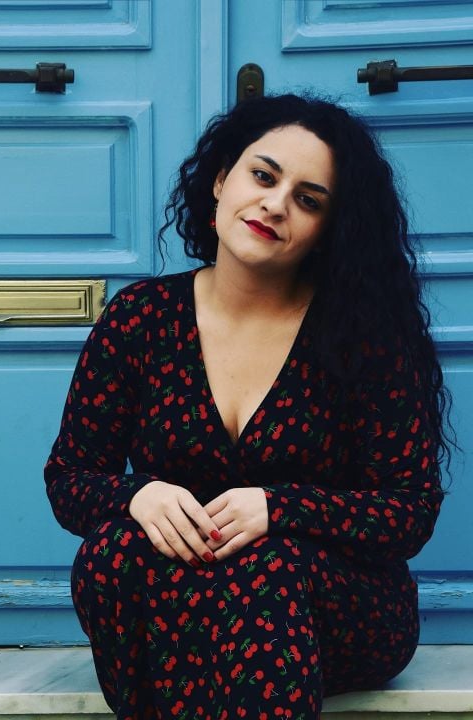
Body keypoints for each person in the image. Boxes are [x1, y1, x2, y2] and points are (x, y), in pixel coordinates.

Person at [44, 94, 451, 720]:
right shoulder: (140, 320)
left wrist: (278, 508)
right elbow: (70, 477)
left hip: (330, 606)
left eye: (308, 200)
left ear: (329, 230)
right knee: (112, 552)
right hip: (183, 602)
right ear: (220, 181)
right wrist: (138, 495)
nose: (276, 204)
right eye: (263, 176)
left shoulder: (362, 335)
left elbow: (408, 511)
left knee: (267, 564)